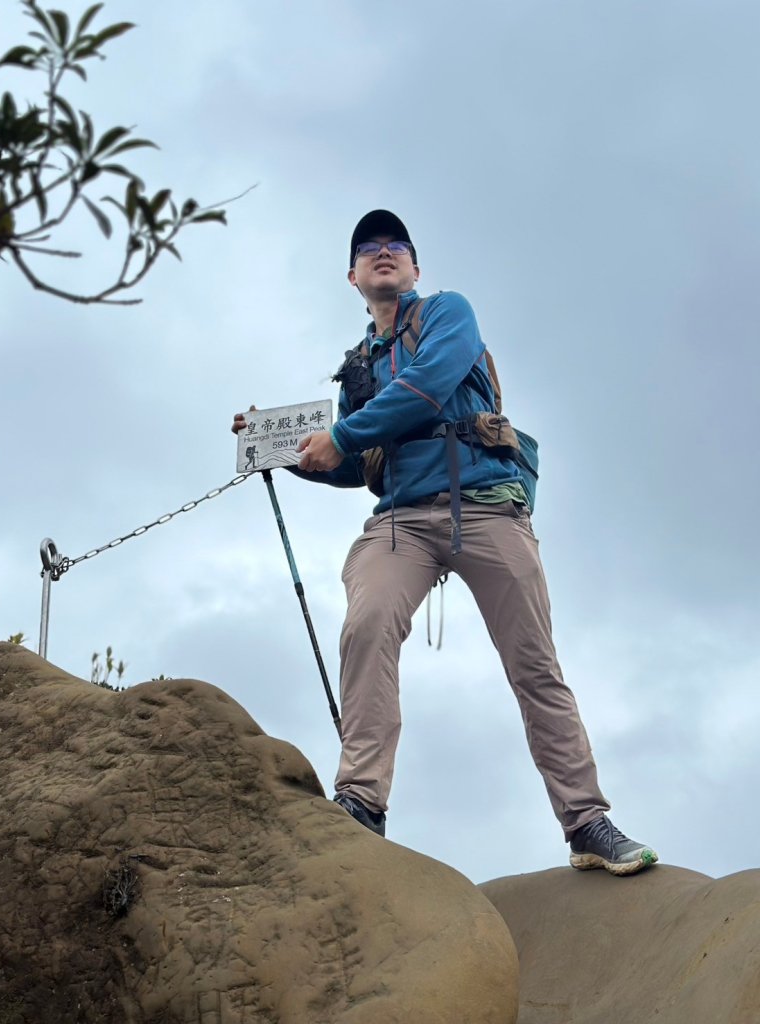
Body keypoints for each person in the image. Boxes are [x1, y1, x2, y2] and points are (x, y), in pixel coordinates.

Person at [232, 210, 658, 876]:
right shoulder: (358, 369)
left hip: (485, 505)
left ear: (414, 267)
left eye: (395, 245)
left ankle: (586, 821)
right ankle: (361, 802)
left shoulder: (447, 312)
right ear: (351, 276)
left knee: (534, 664)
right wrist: (284, 451)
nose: (383, 252)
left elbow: (428, 387)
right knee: (367, 623)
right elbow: (355, 464)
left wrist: (339, 436)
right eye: (367, 248)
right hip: (401, 520)